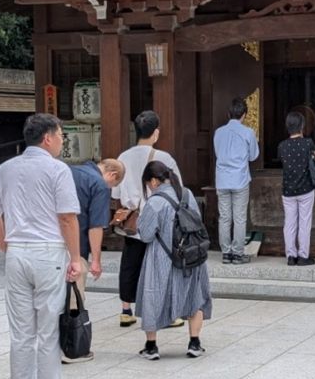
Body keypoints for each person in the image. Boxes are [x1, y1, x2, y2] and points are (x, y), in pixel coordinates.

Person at [0, 114, 82, 379]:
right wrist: (76, 258)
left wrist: (4, 245)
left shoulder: (5, 169)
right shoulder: (57, 170)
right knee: (47, 331)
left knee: (21, 332)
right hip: (48, 252)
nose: (63, 140)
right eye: (61, 135)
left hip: (17, 253)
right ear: (48, 138)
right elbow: (67, 217)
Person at [112, 110, 184, 329]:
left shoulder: (122, 158)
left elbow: (115, 194)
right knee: (160, 264)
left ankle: (126, 310)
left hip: (132, 219)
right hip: (158, 219)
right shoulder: (164, 158)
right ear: (156, 132)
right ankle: (165, 313)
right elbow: (177, 189)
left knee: (130, 263)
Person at [135, 161, 212, 360]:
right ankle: (194, 343)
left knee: (153, 295)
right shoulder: (186, 194)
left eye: (147, 183)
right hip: (190, 255)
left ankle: (151, 346)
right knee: (195, 296)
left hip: (162, 256)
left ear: (153, 181)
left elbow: (146, 235)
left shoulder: (155, 202)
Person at [63, 157, 126, 364]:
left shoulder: (67, 171)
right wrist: (96, 260)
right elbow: (95, 226)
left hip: (50, 245)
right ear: (112, 175)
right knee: (74, 298)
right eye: (113, 185)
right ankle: (70, 349)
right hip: (76, 248)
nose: (111, 188)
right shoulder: (98, 184)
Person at [212, 96, 259, 264]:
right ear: (244, 114)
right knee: (239, 218)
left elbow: (218, 153)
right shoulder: (248, 133)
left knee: (224, 217)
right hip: (239, 179)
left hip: (222, 179)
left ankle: (226, 252)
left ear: (228, 113)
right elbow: (253, 156)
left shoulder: (218, 132)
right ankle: (238, 253)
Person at [278, 111, 315, 266]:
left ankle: (290, 256)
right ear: (302, 126)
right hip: (306, 189)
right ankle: (303, 256)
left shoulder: (282, 146)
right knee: (304, 222)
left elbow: (282, 161)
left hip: (288, 190)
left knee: (289, 222)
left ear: (288, 127)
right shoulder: (308, 144)